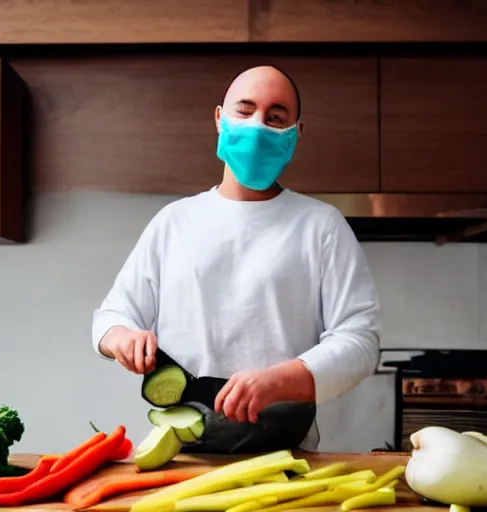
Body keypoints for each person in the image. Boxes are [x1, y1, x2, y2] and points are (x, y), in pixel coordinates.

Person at [92, 65, 381, 451]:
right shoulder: (174, 221)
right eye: (244, 111)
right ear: (219, 119)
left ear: (296, 133)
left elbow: (360, 340)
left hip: (285, 451)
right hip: (177, 450)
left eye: (276, 117)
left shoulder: (322, 225)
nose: (258, 126)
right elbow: (111, 317)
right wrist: (122, 338)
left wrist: (278, 379)